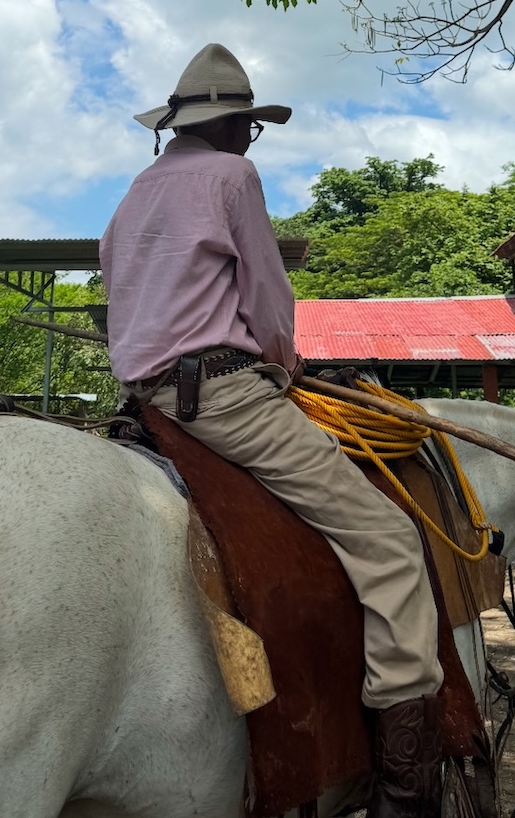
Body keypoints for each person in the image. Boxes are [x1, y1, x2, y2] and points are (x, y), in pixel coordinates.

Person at [100, 44, 446, 818]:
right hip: (225, 397)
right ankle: (404, 774)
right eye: (248, 129)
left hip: (145, 398)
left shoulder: (135, 192)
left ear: (174, 126)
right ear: (235, 128)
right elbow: (265, 292)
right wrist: (286, 364)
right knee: (388, 540)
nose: (247, 142)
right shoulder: (232, 177)